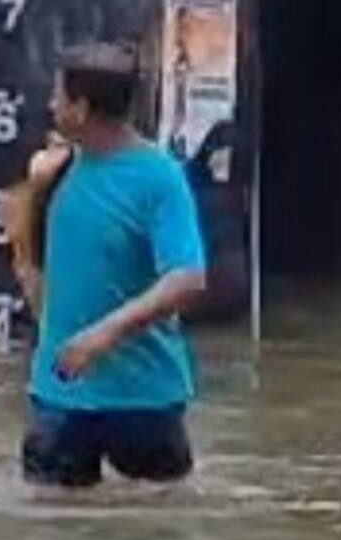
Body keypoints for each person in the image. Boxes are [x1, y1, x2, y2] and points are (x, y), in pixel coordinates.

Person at [12, 43, 211, 488]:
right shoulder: (55, 170)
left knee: (153, 515)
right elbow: (29, 260)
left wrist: (104, 334)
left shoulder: (160, 178)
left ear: (81, 107)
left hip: (144, 398)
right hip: (60, 393)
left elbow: (187, 278)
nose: (51, 105)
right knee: (47, 518)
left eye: (59, 96)